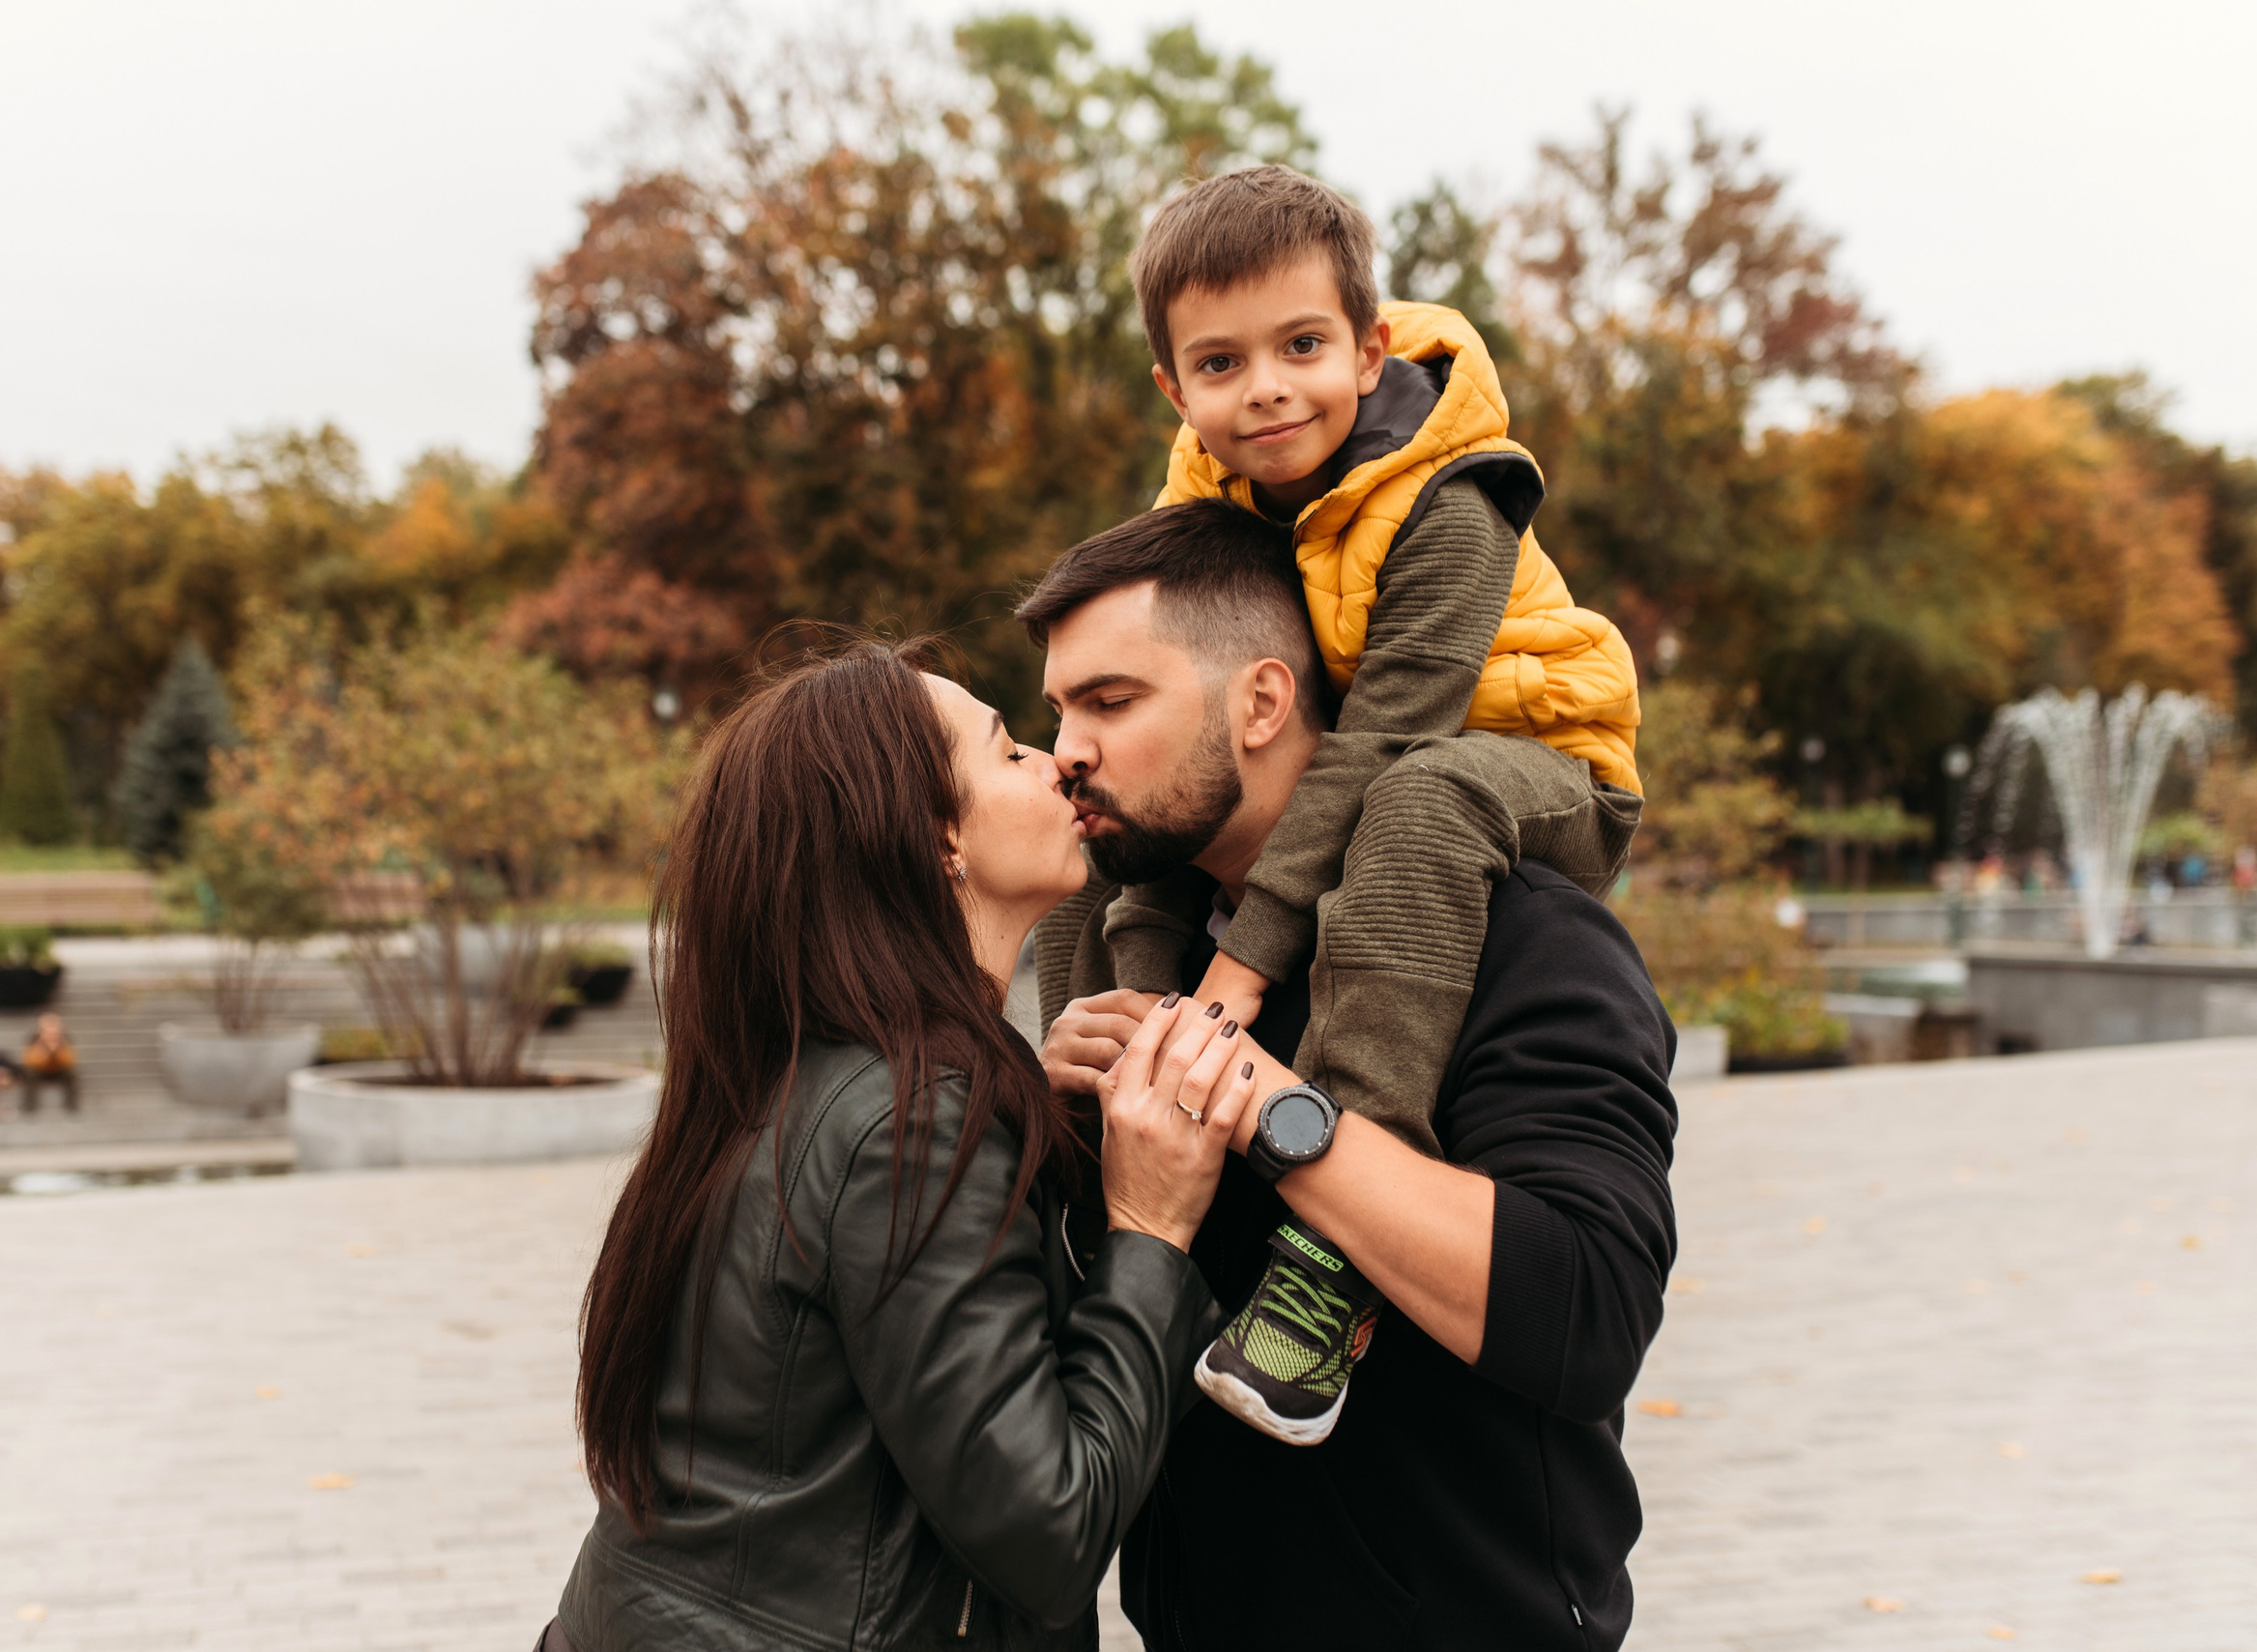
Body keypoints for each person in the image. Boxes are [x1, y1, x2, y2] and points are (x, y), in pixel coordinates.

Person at [1024, 513, 1677, 1649]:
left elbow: (1589, 1309)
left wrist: (1262, 1104)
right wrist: (1047, 1118)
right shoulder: (1143, 946)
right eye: (1057, 713)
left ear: (1263, 702)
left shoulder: (1519, 934)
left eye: (1110, 701)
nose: (1067, 749)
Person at [541, 641, 1257, 1652]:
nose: (1058, 761)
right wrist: (1153, 1227)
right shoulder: (916, 1119)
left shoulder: (820, 1070)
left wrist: (1031, 1120)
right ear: (936, 841)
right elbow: (1048, 1532)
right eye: (1009, 751)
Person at [1082, 161, 1646, 1442]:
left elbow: (1385, 737)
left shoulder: (1458, 496)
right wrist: (1148, 980)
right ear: (1174, 388)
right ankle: (1095, 1146)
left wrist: (1235, 987)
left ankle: (1330, 1260)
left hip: (1538, 762)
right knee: (1120, 790)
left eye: (1301, 345)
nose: (1266, 388)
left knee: (1422, 796)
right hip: (1377, 776)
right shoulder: (1208, 500)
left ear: (1369, 344)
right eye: (1220, 365)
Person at [19, 1013, 78, 1115]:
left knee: (71, 1075)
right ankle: (29, 1107)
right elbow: (29, 1060)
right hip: (40, 1070)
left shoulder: (64, 1040)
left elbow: (71, 1060)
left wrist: (57, 1053)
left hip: (58, 1070)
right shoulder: (34, 1040)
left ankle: (72, 1107)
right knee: (29, 1075)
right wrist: (44, 1054)